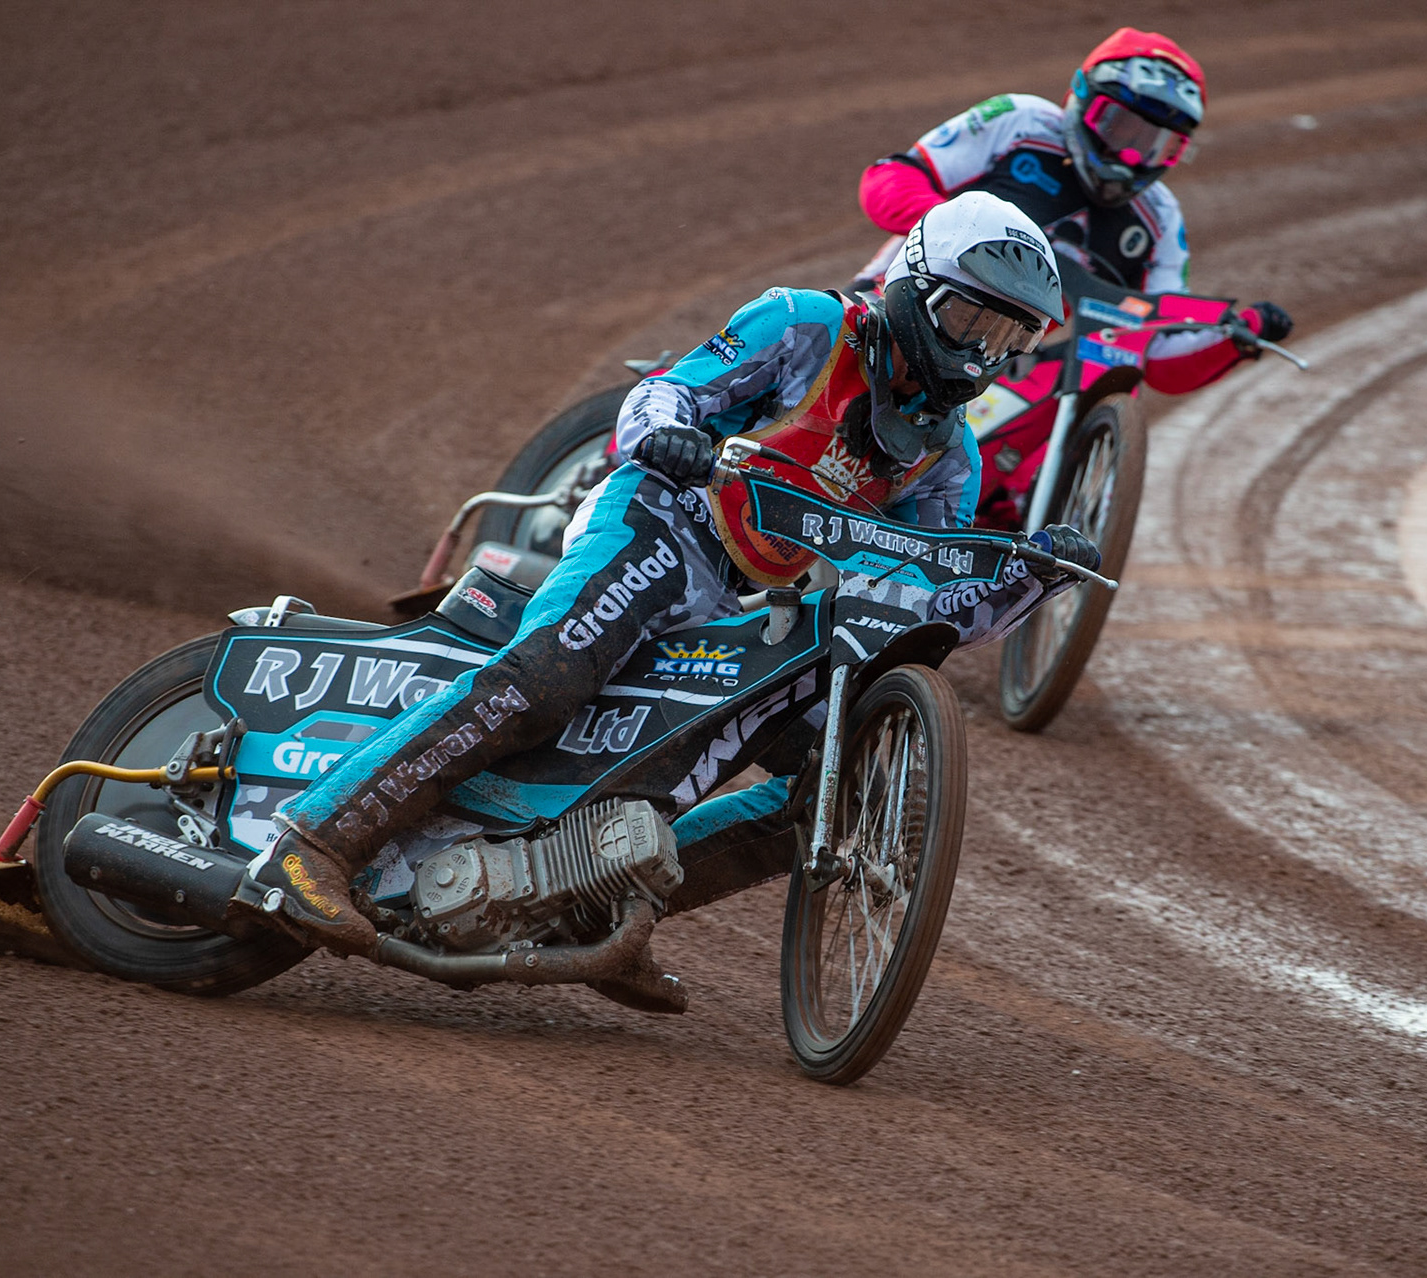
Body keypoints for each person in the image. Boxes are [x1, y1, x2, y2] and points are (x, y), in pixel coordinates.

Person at [242, 192, 1101, 964]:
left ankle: (591, 911)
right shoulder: (804, 324)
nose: (979, 355)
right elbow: (664, 391)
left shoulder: (952, 456)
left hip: (739, 594)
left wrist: (1030, 578)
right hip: (659, 520)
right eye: (966, 321)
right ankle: (312, 845)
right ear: (913, 284)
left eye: (1006, 338)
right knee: (548, 677)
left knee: (819, 782)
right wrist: (668, 434)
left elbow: (922, 593)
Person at [855, 27, 1293, 394]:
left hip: (1002, 366)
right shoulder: (1021, 120)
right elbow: (890, 178)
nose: (1130, 155)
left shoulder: (1161, 218)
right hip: (894, 306)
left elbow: (1156, 349)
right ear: (1081, 97)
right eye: (1118, 126)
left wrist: (1239, 334)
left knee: (1105, 375)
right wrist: (958, 228)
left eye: (1156, 144)